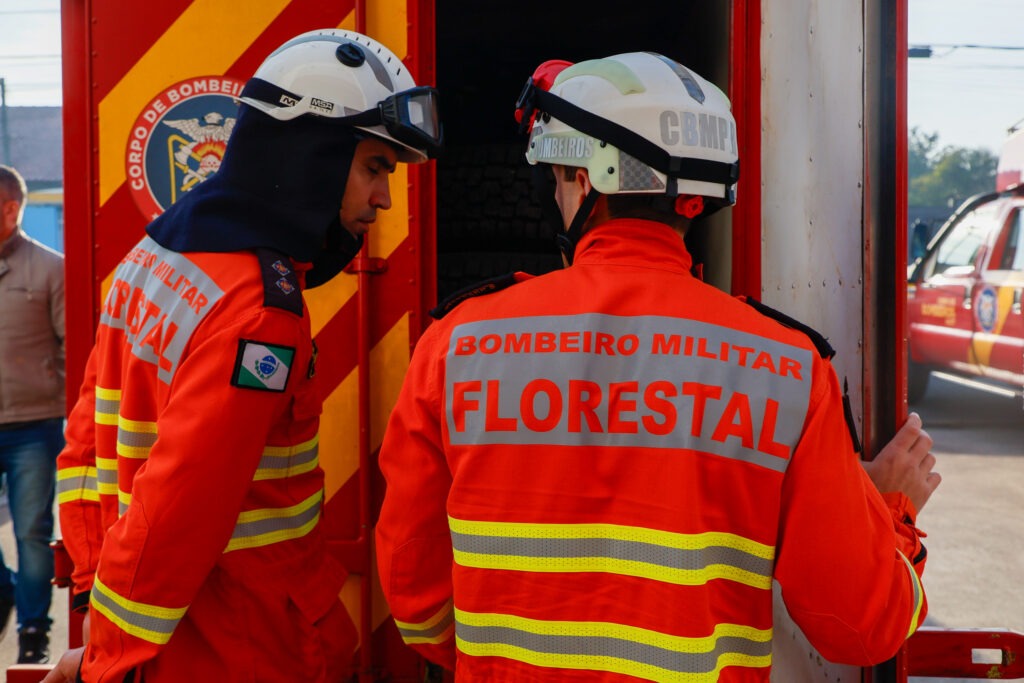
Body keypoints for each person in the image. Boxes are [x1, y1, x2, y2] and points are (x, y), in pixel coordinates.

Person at [374, 52, 940, 681]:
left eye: (558, 177)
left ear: (585, 179)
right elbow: (861, 626)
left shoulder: (457, 346)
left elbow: (417, 600)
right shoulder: (788, 367)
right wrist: (891, 513)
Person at [44, 29, 441, 683]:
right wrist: (107, 660)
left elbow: (85, 443)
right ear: (312, 150)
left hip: (159, 638)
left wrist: (97, 608)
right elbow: (178, 508)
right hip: (239, 644)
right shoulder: (261, 310)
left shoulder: (158, 254)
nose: (385, 199)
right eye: (375, 167)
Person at [0, 164, 65, 664]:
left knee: (31, 533)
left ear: (10, 209)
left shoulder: (50, 269)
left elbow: (70, 348)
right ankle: (5, 591)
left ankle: (33, 633)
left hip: (34, 427)